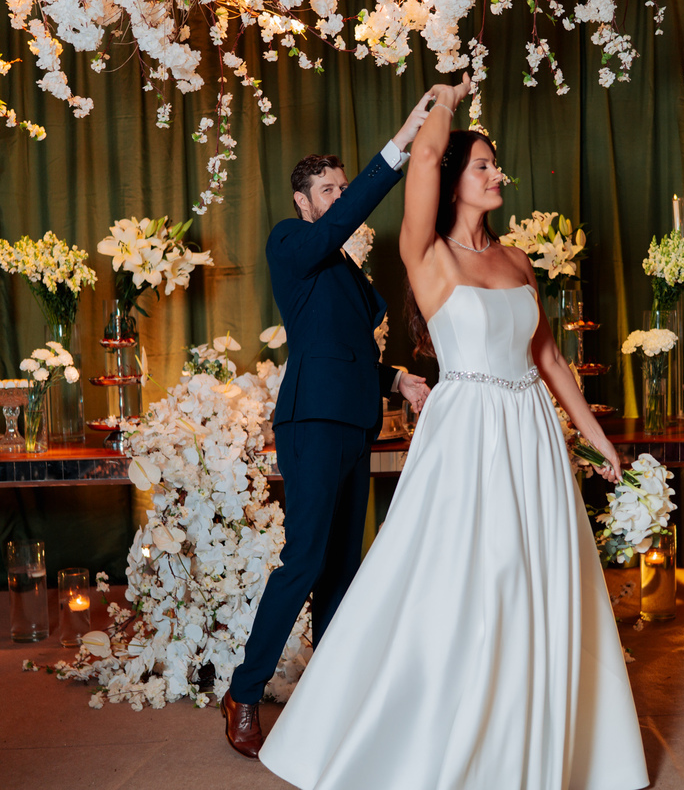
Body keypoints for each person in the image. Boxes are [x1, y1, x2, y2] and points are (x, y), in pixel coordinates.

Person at [258, 74, 649, 789]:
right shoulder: (417, 256)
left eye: (497, 165)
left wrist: (596, 436)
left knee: (537, 578)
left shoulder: (519, 261)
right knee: (458, 578)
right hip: (462, 433)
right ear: (452, 180)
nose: (498, 174)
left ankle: (533, 729)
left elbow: (550, 358)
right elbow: (410, 182)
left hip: (531, 431)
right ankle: (340, 711)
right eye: (483, 165)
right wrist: (438, 107)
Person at [220, 95, 435, 759]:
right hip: (310, 422)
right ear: (305, 202)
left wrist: (395, 378)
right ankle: (245, 691)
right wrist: (399, 144)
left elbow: (349, 353)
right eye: (329, 190)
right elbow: (339, 226)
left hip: (354, 423)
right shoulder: (292, 244)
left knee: (343, 567)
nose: (339, 197)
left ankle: (333, 698)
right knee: (305, 559)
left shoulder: (346, 274)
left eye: (343, 187)